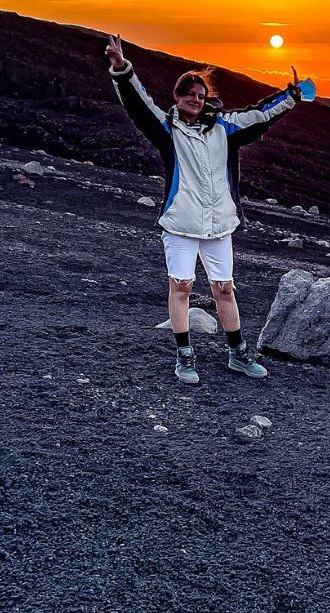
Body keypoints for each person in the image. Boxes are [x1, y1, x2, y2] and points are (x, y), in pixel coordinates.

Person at [105, 33, 305, 384]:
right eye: (189, 94)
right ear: (177, 97)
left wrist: (291, 96)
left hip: (219, 225)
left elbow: (260, 115)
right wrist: (122, 70)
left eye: (201, 95)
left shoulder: (225, 128)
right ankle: (184, 355)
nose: (196, 100)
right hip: (180, 224)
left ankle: (238, 353)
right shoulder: (167, 129)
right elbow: (138, 104)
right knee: (181, 287)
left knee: (224, 289)